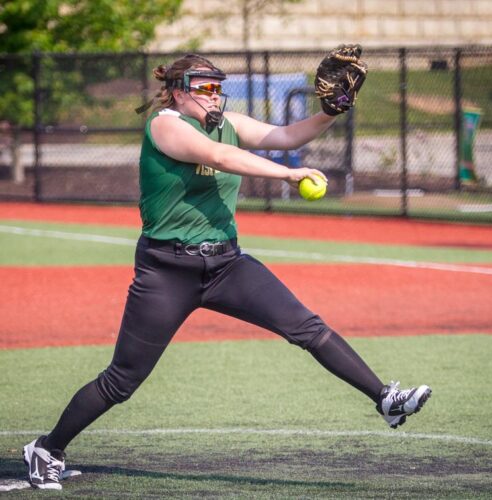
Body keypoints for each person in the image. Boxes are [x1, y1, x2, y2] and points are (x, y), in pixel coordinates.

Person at [23, 53, 431, 490]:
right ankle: (47, 448)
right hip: (167, 271)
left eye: (218, 87)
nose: (214, 94)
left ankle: (386, 398)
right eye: (204, 87)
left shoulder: (228, 121)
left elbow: (288, 136)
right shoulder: (165, 125)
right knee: (122, 379)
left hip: (226, 263)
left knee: (307, 328)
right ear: (179, 91)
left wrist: (330, 112)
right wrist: (288, 177)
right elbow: (220, 157)